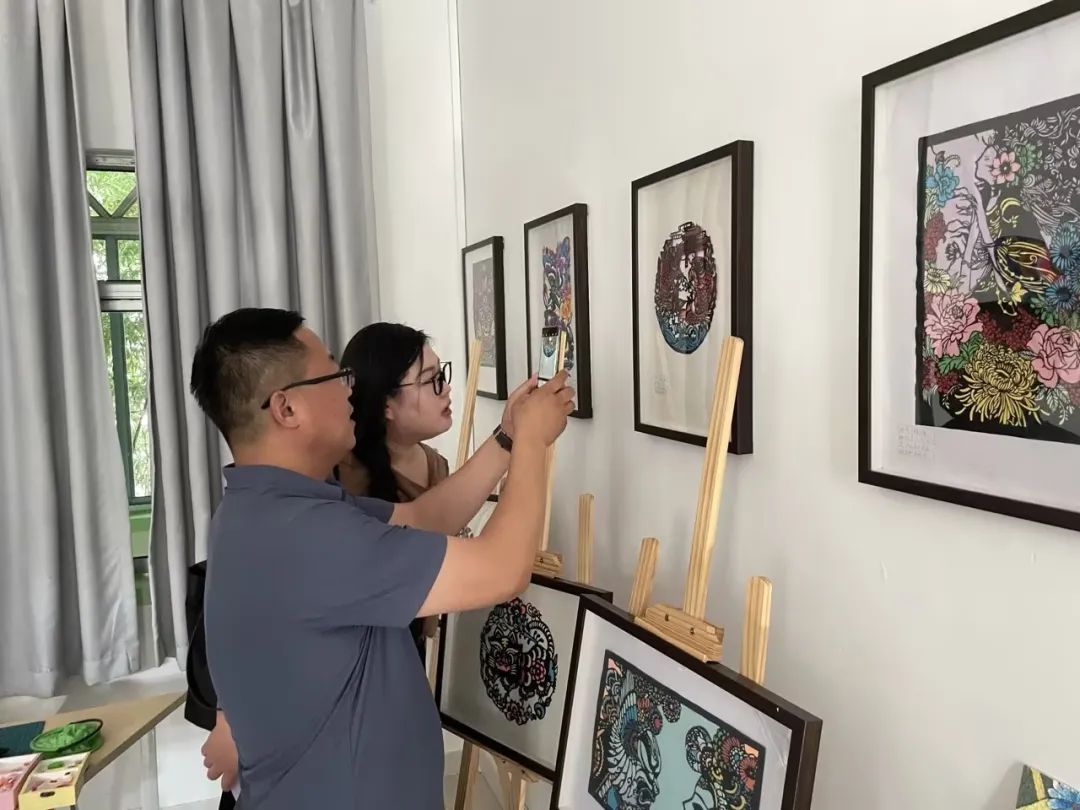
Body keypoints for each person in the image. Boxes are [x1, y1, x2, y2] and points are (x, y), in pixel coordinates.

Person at [189, 308, 573, 809]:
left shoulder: (266, 508)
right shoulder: (309, 538)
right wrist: (534, 444)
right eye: (334, 375)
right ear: (286, 408)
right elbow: (503, 568)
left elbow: (422, 517)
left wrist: (508, 438)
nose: (350, 390)